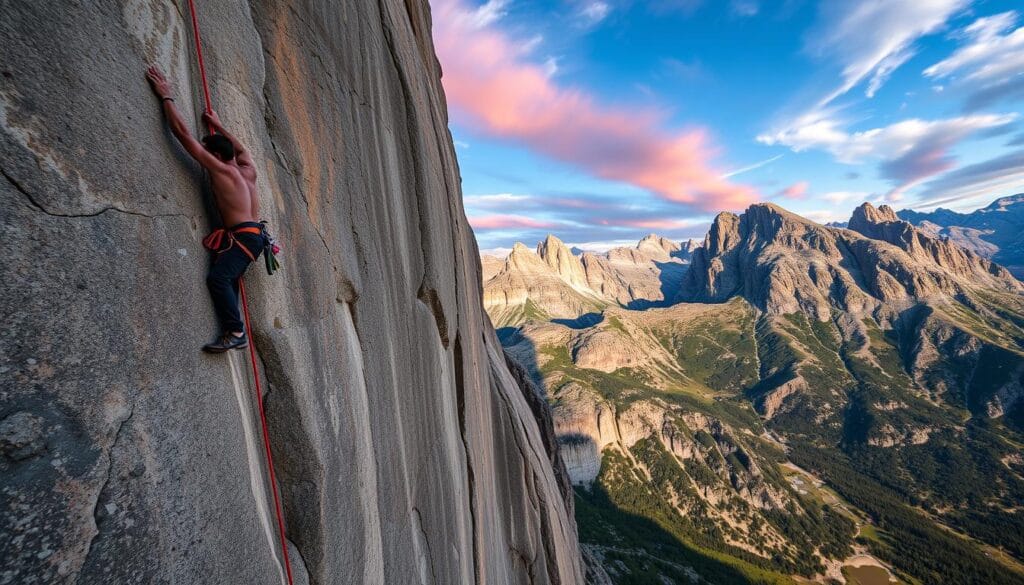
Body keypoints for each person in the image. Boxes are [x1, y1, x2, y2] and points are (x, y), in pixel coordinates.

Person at [146, 65, 264, 353]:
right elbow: (241, 148)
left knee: (218, 278)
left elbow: (183, 135)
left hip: (244, 236)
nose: (204, 154)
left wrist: (166, 97)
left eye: (208, 151)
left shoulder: (223, 171)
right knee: (228, 277)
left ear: (216, 156)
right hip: (252, 234)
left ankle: (236, 332)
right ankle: (231, 329)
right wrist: (219, 125)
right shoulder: (247, 169)